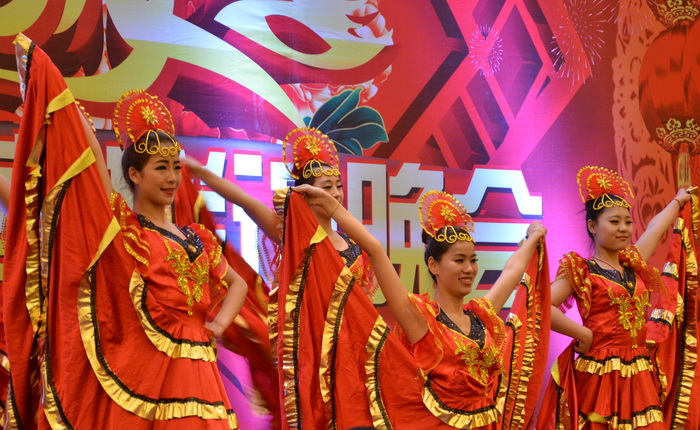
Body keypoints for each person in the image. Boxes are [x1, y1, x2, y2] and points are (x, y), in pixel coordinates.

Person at [5, 35, 247, 428]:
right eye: (160, 168)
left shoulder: (195, 238)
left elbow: (237, 284)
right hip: (150, 368)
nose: (172, 178)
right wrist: (63, 102)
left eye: (175, 167)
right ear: (134, 174)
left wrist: (217, 326)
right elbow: (91, 171)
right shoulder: (129, 231)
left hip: (202, 370)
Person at [294, 185, 551, 428]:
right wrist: (330, 205)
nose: (469, 269)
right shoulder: (422, 321)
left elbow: (512, 270)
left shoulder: (482, 316)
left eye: (473, 260)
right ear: (433, 265)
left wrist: (534, 236)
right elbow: (374, 250)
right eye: (459, 260)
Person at [538, 165, 691, 429]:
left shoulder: (633, 263)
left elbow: (655, 226)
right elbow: (542, 306)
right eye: (614, 221)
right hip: (599, 375)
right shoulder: (583, 270)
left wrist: (679, 200)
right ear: (592, 226)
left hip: (639, 372)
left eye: (628, 222)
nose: (623, 228)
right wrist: (582, 333)